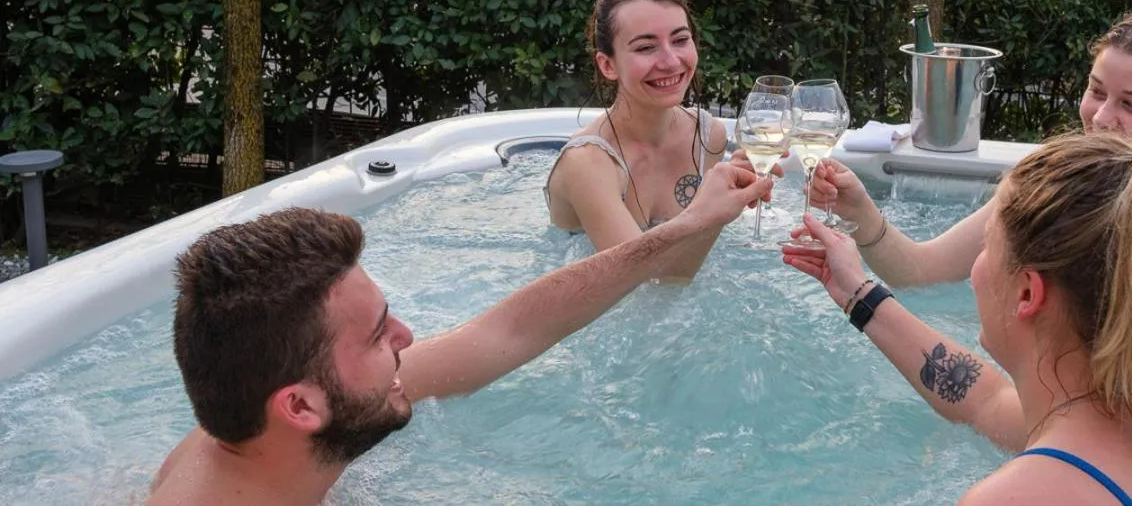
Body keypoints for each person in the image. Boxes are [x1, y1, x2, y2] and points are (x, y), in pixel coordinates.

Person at [146, 161, 769, 505]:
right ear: (300, 405)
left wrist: (687, 225)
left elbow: (511, 330)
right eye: (376, 335)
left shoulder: (267, 420)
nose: (407, 336)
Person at [784, 133, 1132, 506]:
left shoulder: (1018, 497)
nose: (977, 265)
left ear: (1028, 292)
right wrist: (857, 294)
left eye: (988, 246)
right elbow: (984, 400)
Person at [809, 10, 1132, 341]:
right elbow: (920, 273)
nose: (1102, 118)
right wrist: (862, 216)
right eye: (1096, 91)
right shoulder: (1048, 184)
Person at [546, 0, 728, 278]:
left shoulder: (708, 136)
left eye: (680, 39)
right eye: (646, 47)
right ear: (608, 65)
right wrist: (713, 214)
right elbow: (647, 286)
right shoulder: (587, 162)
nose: (671, 61)